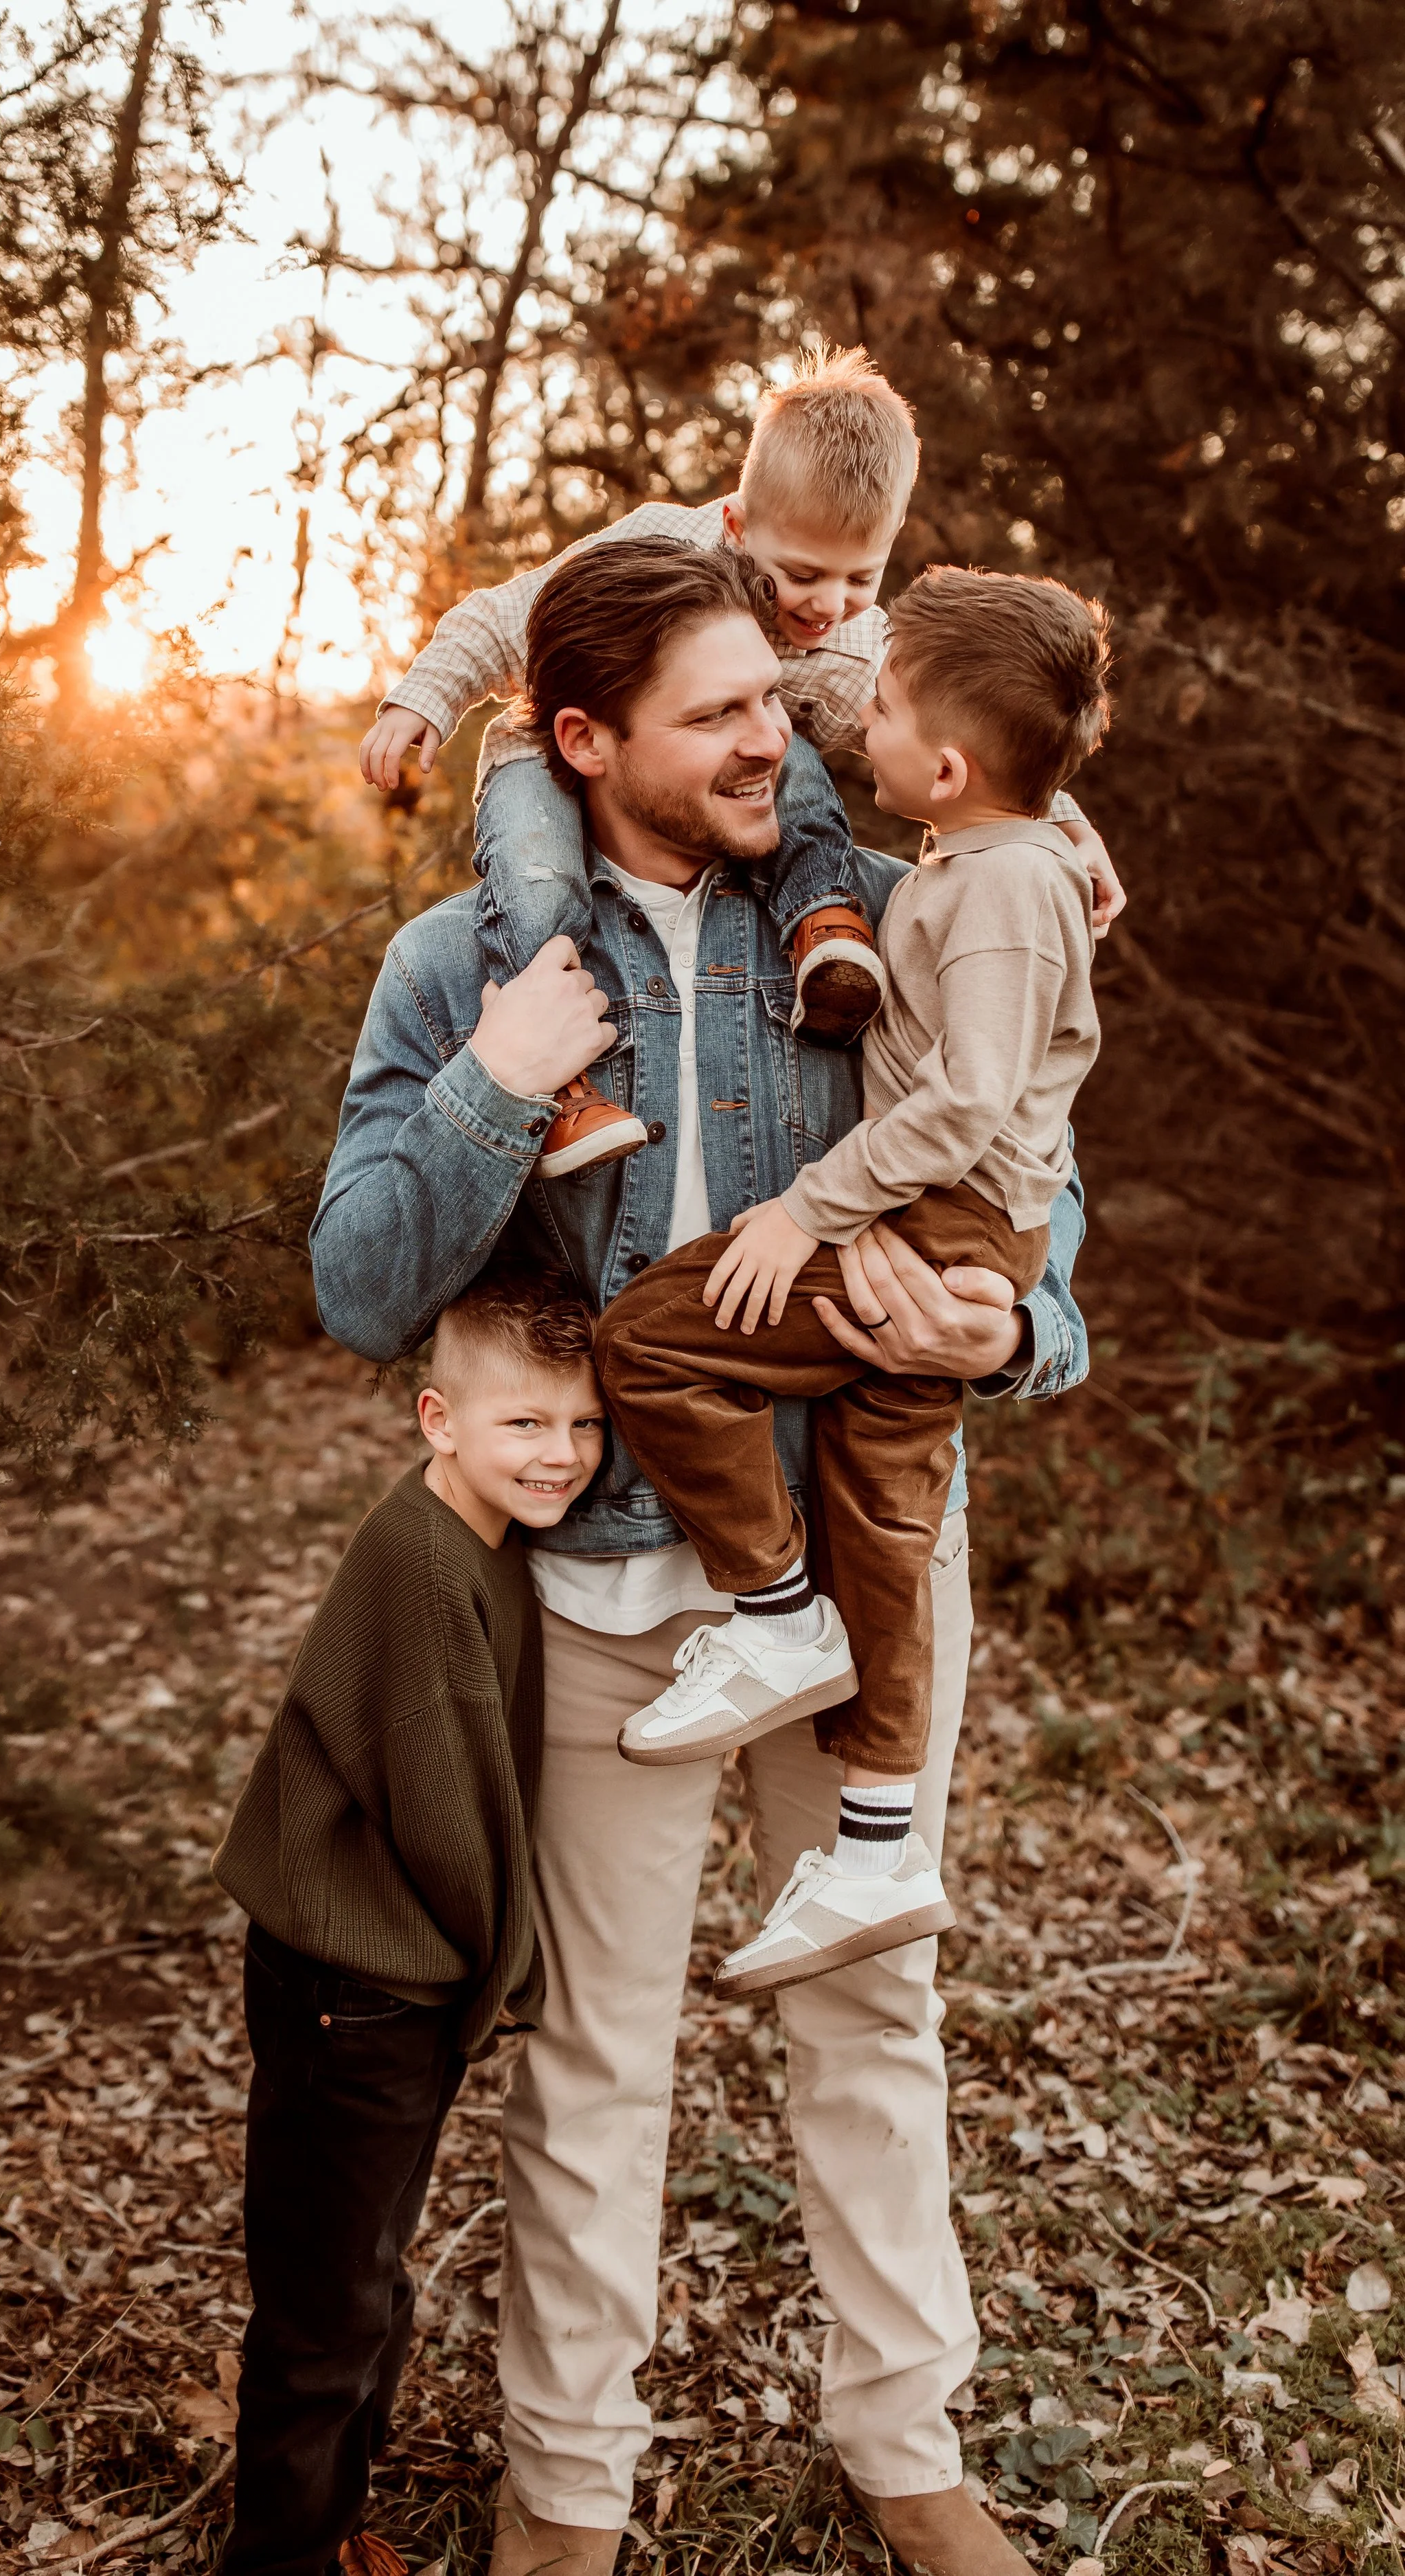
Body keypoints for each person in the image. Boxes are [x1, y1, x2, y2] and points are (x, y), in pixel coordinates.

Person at [311, 534, 1091, 2576]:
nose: (779, 734)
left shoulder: (871, 928)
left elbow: (1034, 1180)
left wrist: (1012, 1325)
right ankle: (565, 2492)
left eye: (779, 693)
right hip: (607, 1595)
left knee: (871, 2008)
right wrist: (495, 1084)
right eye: (721, 713)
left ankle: (905, 2443)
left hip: (857, 1558)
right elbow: (358, 1282)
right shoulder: (458, 962)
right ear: (580, 743)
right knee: (594, 2051)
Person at [595, 564, 1110, 1998]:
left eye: (874, 711)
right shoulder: (985, 860)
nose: (847, 731)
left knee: (648, 1340)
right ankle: (881, 1845)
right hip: (941, 1221)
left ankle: (772, 1615)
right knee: (883, 1515)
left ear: (941, 766)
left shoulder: (1001, 889)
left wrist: (801, 1214)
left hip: (931, 1227)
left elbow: (970, 1099)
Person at [357, 343, 1123, 1181]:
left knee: (792, 756)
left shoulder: (844, 641)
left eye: (859, 578)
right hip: (536, 757)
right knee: (538, 882)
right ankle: (558, 1081)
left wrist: (1057, 821)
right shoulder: (652, 551)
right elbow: (501, 621)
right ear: (736, 526)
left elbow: (965, 744)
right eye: (802, 573)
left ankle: (821, 923)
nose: (827, 606)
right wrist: (424, 697)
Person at [211, 1267, 606, 2576]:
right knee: (328, 2309)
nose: (562, 1456)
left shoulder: (487, 1538)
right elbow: (450, 1817)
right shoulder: (423, 1566)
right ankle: (282, 2555)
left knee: (370, 2275)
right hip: (354, 1990)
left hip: (389, 1981)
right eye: (525, 1426)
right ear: (438, 1419)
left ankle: (331, 2525)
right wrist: (514, 1975)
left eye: (583, 1426)